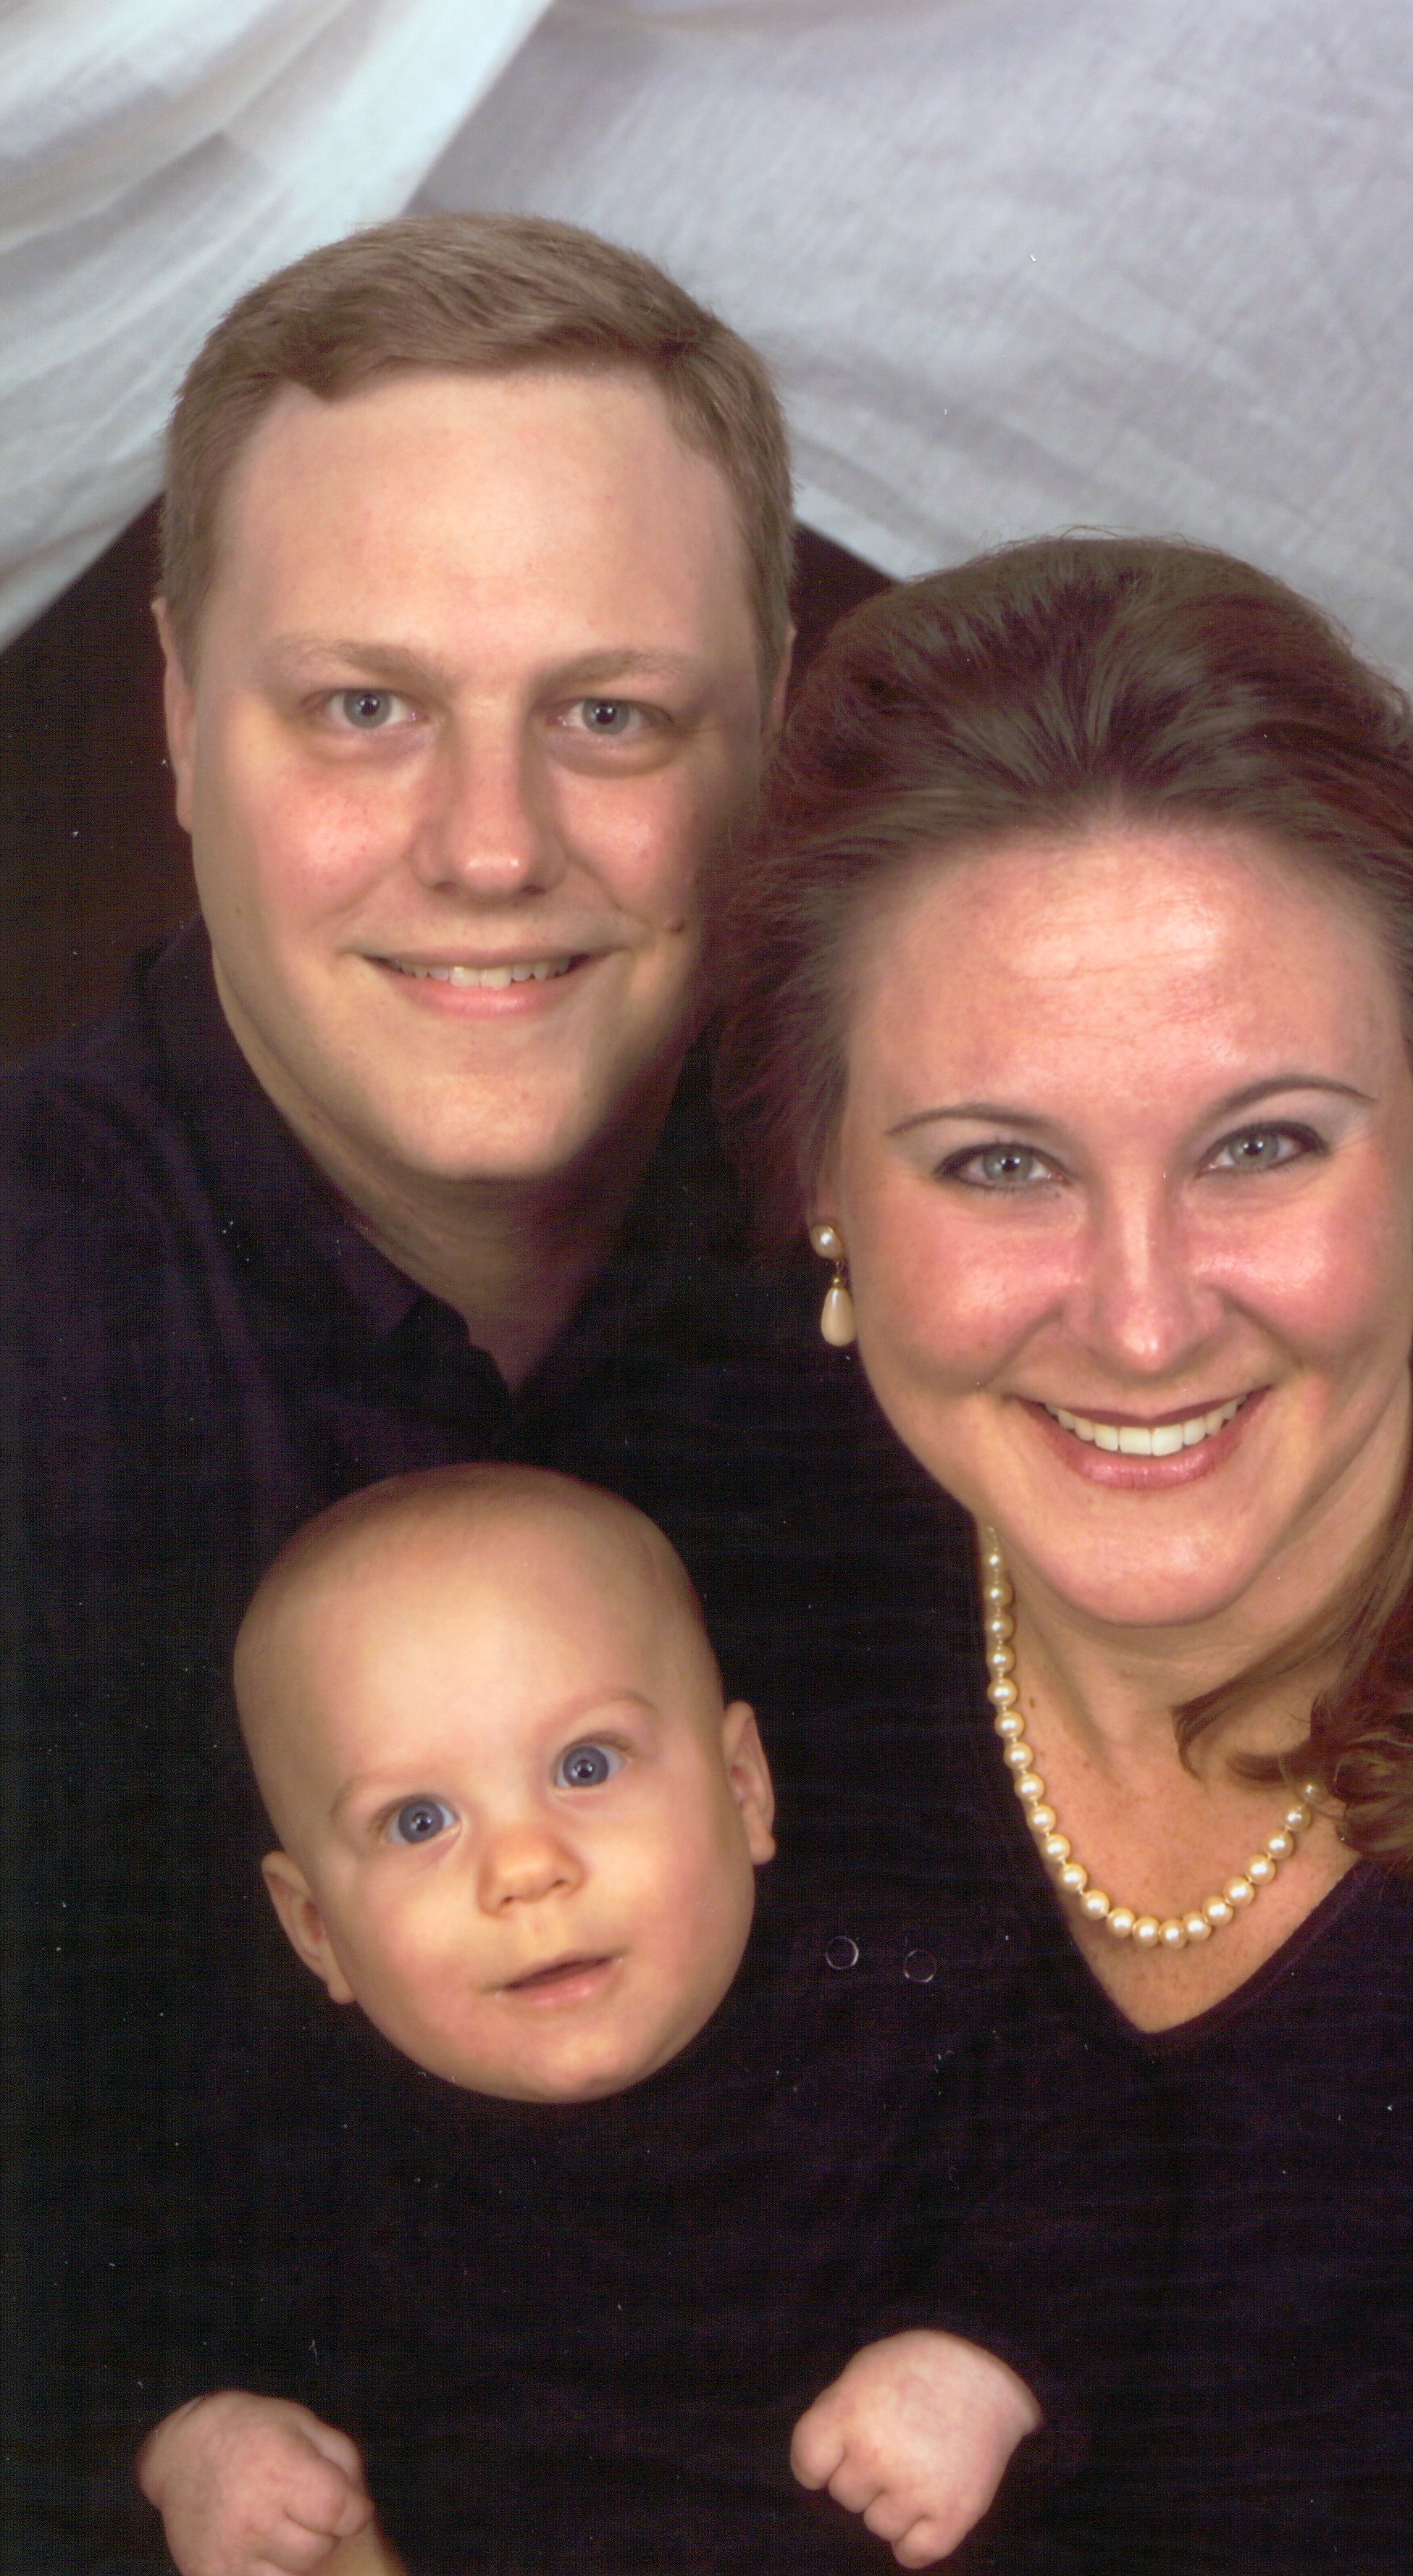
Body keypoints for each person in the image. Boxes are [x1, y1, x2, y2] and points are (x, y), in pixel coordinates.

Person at [0, 212, 907, 2567]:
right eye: (362, 707)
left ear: (768, 720)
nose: (491, 847)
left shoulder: (963, 1272)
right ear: (174, 709)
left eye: (610, 713)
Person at [713, 535, 1413, 2575]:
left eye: (1259, 1143)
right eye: (1000, 1162)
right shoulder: (719, 1633)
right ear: (819, 1186)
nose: (1143, 1322)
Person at [135, 1466, 1087, 2576]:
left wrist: (981, 2364)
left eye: (585, 1766)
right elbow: (124, 2321)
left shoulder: (909, 2016)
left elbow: (1111, 2173)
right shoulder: (297, 2143)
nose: (525, 1867)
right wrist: (196, 2441)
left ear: (743, 1789)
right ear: (315, 1931)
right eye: (419, 1821)